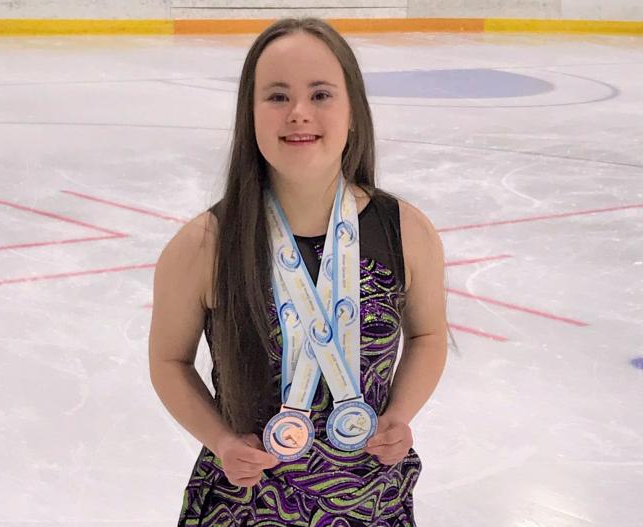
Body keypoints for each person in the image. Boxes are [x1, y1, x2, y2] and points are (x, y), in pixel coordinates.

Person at [148, 17, 447, 526]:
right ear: (251, 114)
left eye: (322, 95)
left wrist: (399, 414)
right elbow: (169, 360)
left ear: (353, 111)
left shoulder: (406, 232)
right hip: (247, 506)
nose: (299, 113)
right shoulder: (205, 245)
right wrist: (220, 440)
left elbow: (429, 333)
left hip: (372, 502)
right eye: (278, 96)